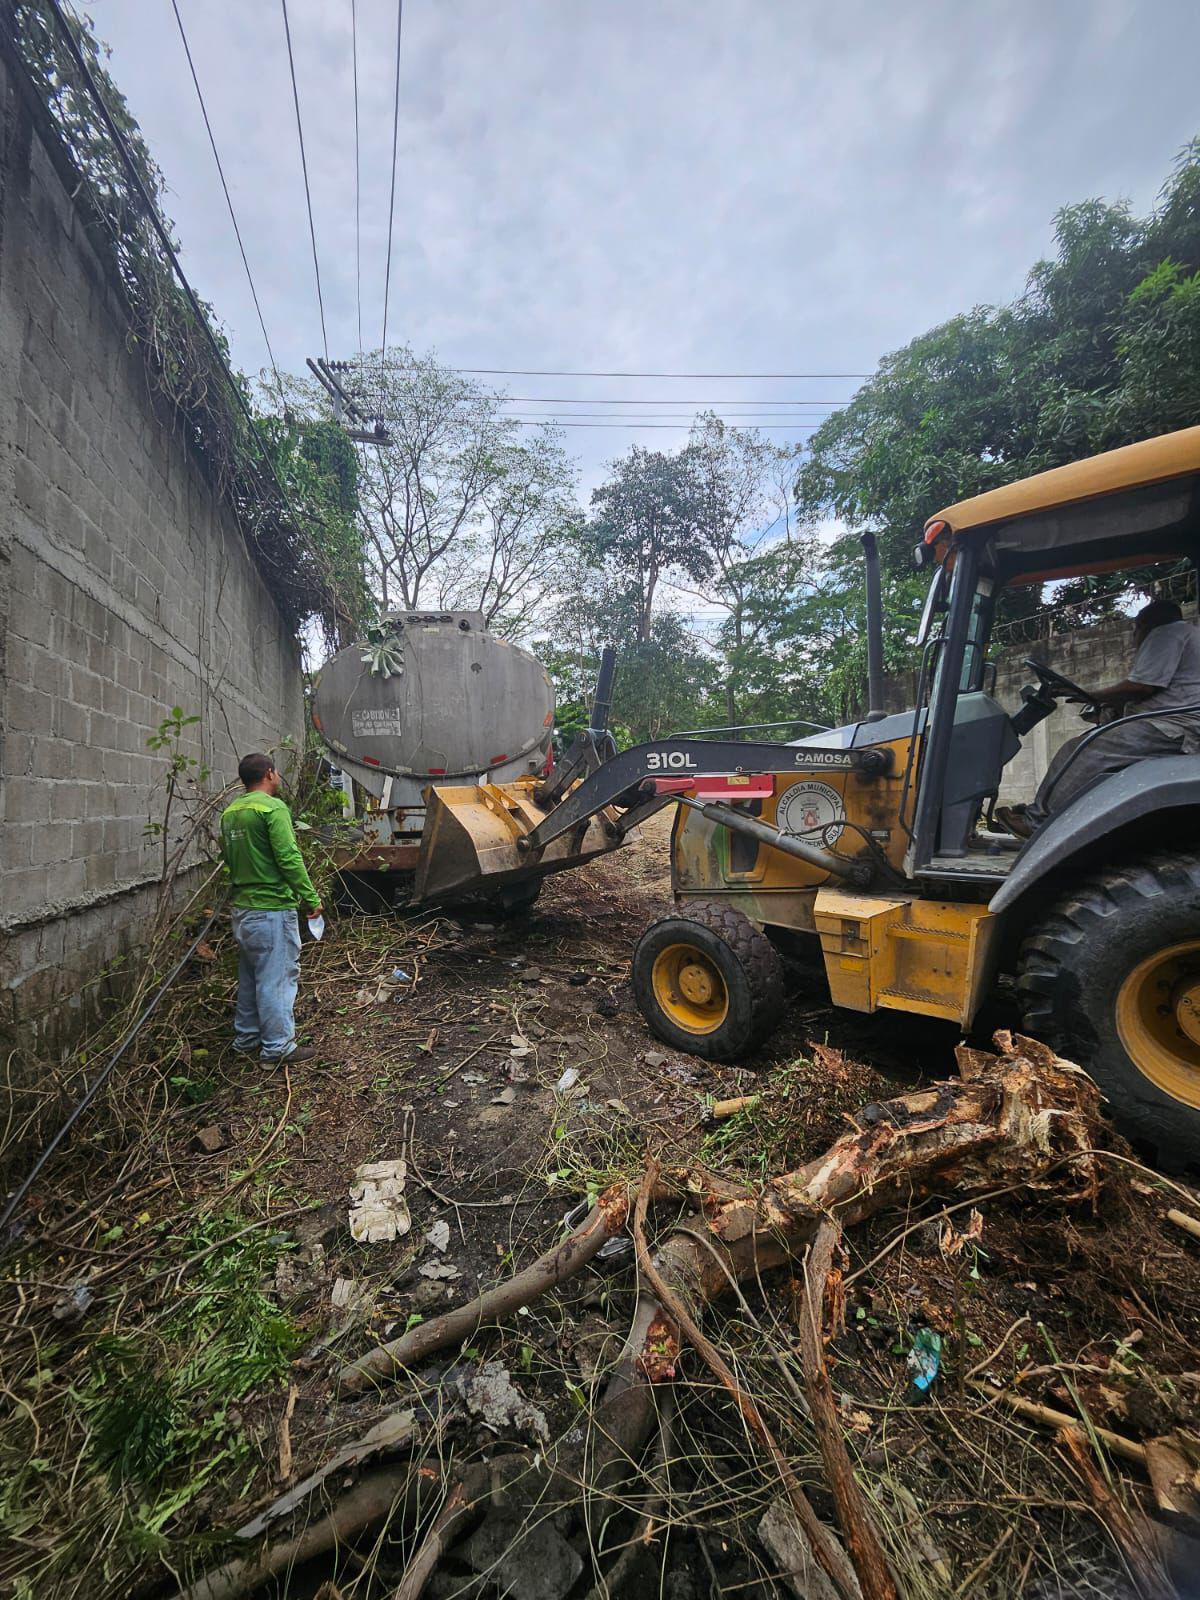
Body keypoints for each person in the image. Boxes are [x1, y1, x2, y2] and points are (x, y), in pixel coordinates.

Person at [999, 599, 1200, 837]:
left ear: (1145, 624)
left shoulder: (1167, 633)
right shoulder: (1188, 636)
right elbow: (1164, 690)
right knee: (1088, 742)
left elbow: (1142, 687)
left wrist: (1091, 695)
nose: (1134, 637)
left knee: (1081, 750)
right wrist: (1102, 705)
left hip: (1173, 727)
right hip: (1173, 722)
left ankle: (1037, 822)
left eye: (1135, 630)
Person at [220, 753, 322, 1063]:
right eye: (276, 772)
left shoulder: (230, 812)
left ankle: (247, 1038)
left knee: (252, 976)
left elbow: (229, 858)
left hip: (243, 911)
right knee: (276, 978)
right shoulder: (271, 808)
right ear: (268, 773)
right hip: (272, 908)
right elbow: (289, 858)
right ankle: (277, 1047)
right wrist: (311, 898)